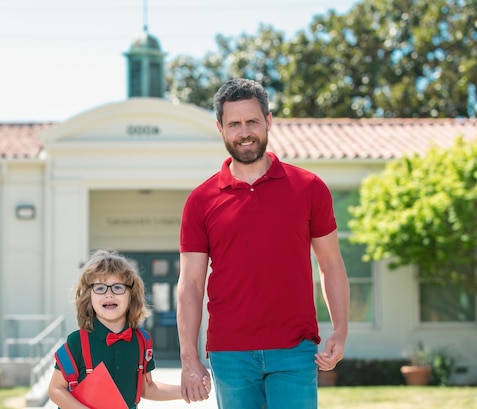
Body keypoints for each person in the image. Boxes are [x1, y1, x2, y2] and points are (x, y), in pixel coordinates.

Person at [177, 78, 350, 409]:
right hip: (231, 354)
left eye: (252, 121)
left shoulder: (309, 187)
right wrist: (189, 357)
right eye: (234, 124)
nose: (245, 132)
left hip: (295, 350)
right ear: (221, 128)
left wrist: (340, 330)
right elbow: (192, 284)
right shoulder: (200, 201)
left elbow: (330, 264)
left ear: (268, 122)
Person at [49, 249, 210, 409]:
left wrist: (189, 391)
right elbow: (56, 389)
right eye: (100, 288)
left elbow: (147, 389)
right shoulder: (77, 341)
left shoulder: (142, 341)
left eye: (118, 287)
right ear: (88, 297)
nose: (109, 294)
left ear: (131, 295)